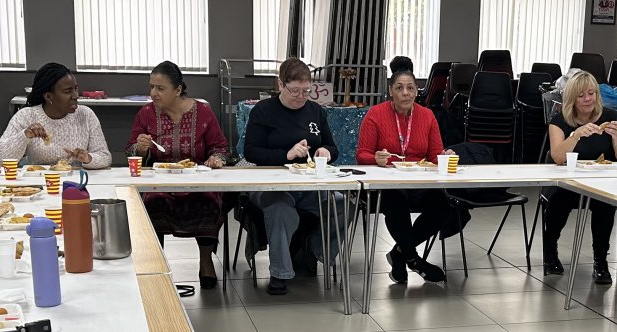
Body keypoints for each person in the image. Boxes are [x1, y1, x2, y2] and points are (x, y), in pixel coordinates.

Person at [243, 57, 343, 296]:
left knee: (341, 202)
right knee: (280, 208)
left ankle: (315, 250)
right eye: (295, 90)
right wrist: (285, 155)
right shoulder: (263, 111)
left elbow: (333, 147)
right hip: (270, 184)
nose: (301, 96)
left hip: (308, 184)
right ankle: (280, 273)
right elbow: (250, 151)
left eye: (307, 91)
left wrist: (325, 152)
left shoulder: (315, 111)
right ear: (280, 85)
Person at [127, 61, 229, 289]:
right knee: (152, 204)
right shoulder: (146, 114)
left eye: (160, 88)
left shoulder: (202, 111)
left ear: (178, 89)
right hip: (160, 184)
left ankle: (205, 261)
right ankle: (157, 265)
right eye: (152, 87)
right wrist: (141, 149)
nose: (153, 93)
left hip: (198, 181)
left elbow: (220, 147)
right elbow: (130, 151)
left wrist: (216, 159)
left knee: (210, 201)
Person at [357, 59, 450, 285]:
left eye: (410, 88)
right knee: (394, 202)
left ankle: (400, 253)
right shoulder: (376, 114)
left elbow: (436, 154)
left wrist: (445, 156)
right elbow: (362, 155)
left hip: (418, 182)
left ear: (416, 91)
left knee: (444, 206)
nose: (405, 93)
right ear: (391, 91)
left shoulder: (427, 116)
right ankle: (413, 259)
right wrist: (375, 159)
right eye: (399, 88)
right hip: (388, 183)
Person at [542, 70, 617, 285]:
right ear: (572, 98)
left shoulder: (611, 116)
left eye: (591, 93)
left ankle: (600, 261)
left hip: (599, 183)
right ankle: (550, 252)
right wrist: (576, 135)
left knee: (605, 205)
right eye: (581, 95)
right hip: (567, 182)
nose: (588, 99)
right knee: (558, 202)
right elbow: (557, 157)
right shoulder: (559, 120)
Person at [0, 63, 112, 169]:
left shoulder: (86, 115)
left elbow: (105, 157)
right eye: (67, 91)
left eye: (75, 89)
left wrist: (87, 158)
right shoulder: (26, 116)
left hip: (77, 182)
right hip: (39, 184)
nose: (75, 96)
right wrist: (25, 136)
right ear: (48, 97)